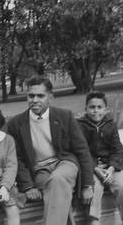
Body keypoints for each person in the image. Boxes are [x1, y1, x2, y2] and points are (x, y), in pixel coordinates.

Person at [6, 75, 94, 225]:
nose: (34, 100)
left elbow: (82, 151)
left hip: (65, 163)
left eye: (40, 96)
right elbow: (17, 158)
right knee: (56, 190)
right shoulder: (16, 124)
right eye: (31, 96)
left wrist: (88, 184)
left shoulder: (64, 116)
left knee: (58, 179)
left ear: (50, 97)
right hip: (39, 170)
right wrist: (28, 186)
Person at [78, 91, 123, 225]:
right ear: (86, 109)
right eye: (92, 107)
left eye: (99, 107)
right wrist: (95, 169)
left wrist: (111, 168)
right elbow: (82, 152)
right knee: (94, 190)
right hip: (90, 168)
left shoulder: (110, 125)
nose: (95, 111)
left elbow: (118, 150)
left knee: (121, 186)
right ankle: (93, 222)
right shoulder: (79, 126)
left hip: (110, 167)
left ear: (106, 109)